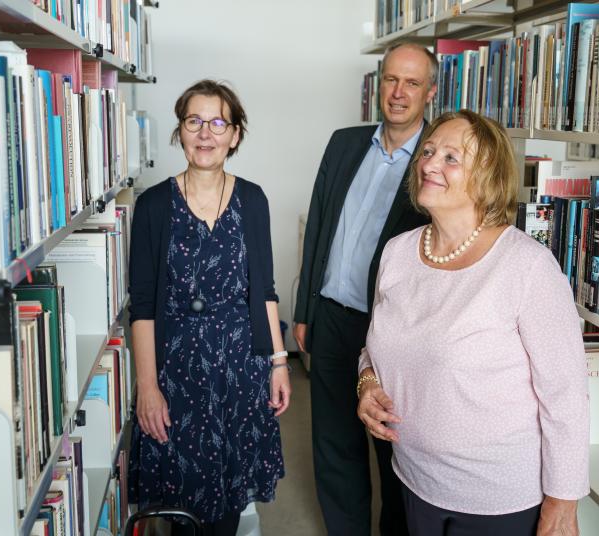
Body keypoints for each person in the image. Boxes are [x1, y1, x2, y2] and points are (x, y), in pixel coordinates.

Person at [357, 110, 589, 536]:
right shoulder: (396, 252)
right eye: (427, 152)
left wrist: (562, 503)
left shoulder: (526, 266)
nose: (428, 163)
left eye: (451, 157)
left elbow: (567, 396)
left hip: (497, 501)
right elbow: (378, 345)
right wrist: (367, 381)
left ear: (488, 175)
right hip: (412, 480)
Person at [127, 80, 290, 536]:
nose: (206, 133)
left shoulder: (253, 199)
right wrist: (147, 386)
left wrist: (279, 364)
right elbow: (143, 306)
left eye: (218, 122)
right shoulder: (153, 205)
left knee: (230, 503)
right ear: (180, 131)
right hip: (177, 374)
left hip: (242, 370)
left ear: (235, 135)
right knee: (184, 504)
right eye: (194, 121)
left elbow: (266, 291)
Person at [293, 42, 437, 535]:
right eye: (392, 80)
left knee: (393, 451)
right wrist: (304, 309)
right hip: (332, 318)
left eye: (412, 83)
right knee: (334, 445)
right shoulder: (344, 143)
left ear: (430, 92)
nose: (398, 93)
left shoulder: (437, 163)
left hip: (391, 331)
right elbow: (319, 229)